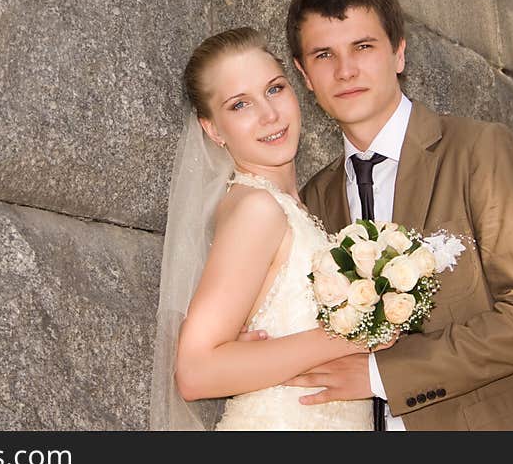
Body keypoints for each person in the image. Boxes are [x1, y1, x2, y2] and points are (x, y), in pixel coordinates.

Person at [286, 0, 513, 430]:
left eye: (363, 46)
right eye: (324, 55)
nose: (345, 70)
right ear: (305, 75)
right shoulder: (313, 199)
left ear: (399, 52)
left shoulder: (478, 150)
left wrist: (382, 375)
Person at [149, 27, 387, 430]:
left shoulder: (296, 207)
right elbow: (195, 372)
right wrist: (347, 336)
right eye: (240, 104)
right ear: (213, 129)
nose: (270, 115)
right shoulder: (258, 210)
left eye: (275, 89)